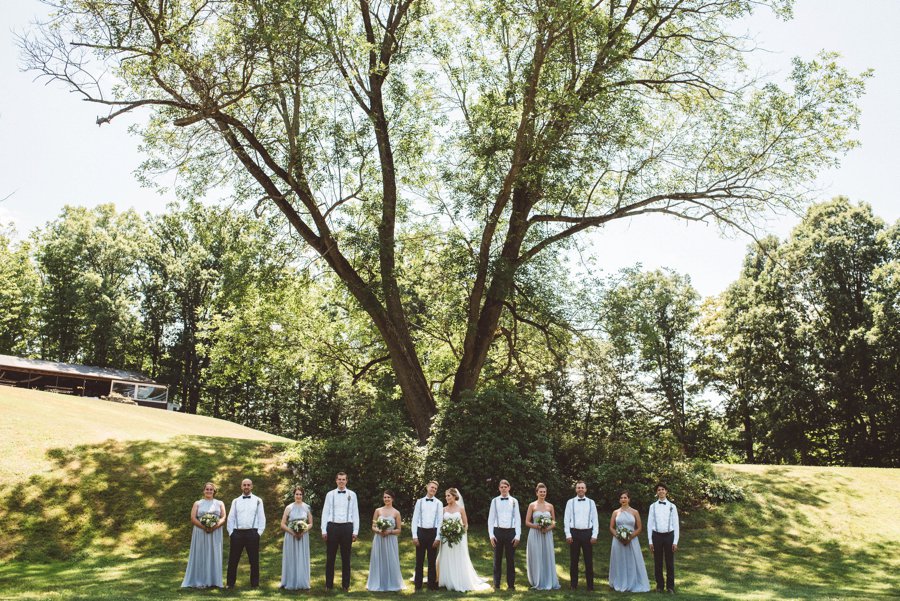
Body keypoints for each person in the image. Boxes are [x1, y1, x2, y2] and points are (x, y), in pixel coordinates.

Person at [437, 488, 490, 592]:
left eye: (449, 496)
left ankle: (459, 579)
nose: (446, 498)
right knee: (447, 558)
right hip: (446, 540)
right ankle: (447, 580)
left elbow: (466, 525)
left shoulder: (461, 509)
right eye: (446, 496)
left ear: (454, 496)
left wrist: (459, 533)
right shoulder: (443, 509)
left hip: (458, 539)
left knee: (458, 558)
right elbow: (440, 525)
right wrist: (446, 533)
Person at [181, 481, 227, 588]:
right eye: (207, 489)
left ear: (214, 491)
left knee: (214, 553)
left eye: (211, 489)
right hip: (200, 531)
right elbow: (193, 518)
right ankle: (199, 579)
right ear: (203, 491)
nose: (209, 491)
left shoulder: (220, 503)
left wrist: (214, 527)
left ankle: (214, 581)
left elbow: (223, 517)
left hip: (215, 532)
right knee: (200, 553)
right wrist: (204, 527)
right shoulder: (197, 503)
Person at [321, 471, 360, 592]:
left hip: (347, 527)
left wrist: (355, 531)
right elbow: (325, 512)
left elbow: (355, 513)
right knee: (330, 557)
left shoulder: (352, 495)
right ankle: (328, 585)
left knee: (346, 558)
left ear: (346, 481)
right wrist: (323, 530)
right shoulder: (330, 494)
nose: (341, 481)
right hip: (332, 527)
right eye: (339, 479)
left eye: (343, 479)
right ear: (336, 480)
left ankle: (345, 585)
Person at [225, 478, 266, 588]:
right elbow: (231, 518)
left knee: (254, 560)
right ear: (241, 486)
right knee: (233, 560)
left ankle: (255, 584)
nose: (246, 487)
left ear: (252, 486)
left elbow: (262, 518)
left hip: (252, 533)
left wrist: (259, 533)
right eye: (244, 485)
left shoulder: (258, 500)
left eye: (248, 485)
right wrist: (231, 533)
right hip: (237, 533)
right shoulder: (235, 501)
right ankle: (230, 583)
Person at [608, 490, 650, 592]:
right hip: (618, 541)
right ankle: (620, 581)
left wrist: (629, 537)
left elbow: (639, 528)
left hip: (632, 540)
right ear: (619, 500)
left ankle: (632, 581)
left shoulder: (635, 512)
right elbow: (611, 527)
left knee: (632, 561)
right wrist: (619, 536)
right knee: (619, 560)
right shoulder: (615, 512)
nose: (623, 499)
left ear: (629, 499)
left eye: (625, 498)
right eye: (621, 498)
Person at [366, 490, 406, 591]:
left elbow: (399, 530)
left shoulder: (396, 512)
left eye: (388, 497)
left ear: (392, 498)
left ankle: (392, 583)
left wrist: (390, 532)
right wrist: (379, 531)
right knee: (378, 559)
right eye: (385, 497)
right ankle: (377, 582)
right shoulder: (378, 511)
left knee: (391, 560)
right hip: (379, 539)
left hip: (391, 540)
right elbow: (373, 526)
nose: (386, 499)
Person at [524, 482, 560, 590]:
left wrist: (547, 529)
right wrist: (538, 527)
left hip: (547, 534)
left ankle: (548, 578)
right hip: (535, 534)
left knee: (547, 555)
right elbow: (527, 522)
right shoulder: (532, 505)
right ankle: (537, 580)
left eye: (544, 492)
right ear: (536, 493)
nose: (542, 494)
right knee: (536, 556)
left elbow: (554, 522)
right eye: (540, 492)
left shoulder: (550, 506)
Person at [564, 480, 598, 591]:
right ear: (576, 489)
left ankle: (590, 586)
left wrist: (595, 535)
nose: (580, 489)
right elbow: (566, 519)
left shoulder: (591, 502)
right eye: (578, 487)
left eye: (582, 487)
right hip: (574, 533)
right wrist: (568, 534)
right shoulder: (570, 502)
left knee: (588, 560)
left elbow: (595, 519)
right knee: (574, 561)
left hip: (587, 533)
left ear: (586, 489)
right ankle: (573, 585)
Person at [487, 479, 521, 590]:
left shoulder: (515, 501)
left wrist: (517, 535)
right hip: (498, 532)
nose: (503, 489)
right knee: (497, 559)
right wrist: (491, 535)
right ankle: (496, 584)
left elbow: (518, 519)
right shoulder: (495, 501)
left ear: (509, 488)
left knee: (510, 559)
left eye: (505, 487)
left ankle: (511, 585)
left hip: (511, 532)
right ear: (499, 488)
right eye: (501, 487)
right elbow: (491, 519)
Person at [647, 483, 680, 594]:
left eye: (663, 489)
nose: (661, 491)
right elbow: (649, 524)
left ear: (666, 491)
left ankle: (670, 587)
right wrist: (650, 541)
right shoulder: (653, 506)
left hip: (669, 536)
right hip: (656, 536)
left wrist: (675, 541)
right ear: (656, 492)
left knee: (669, 562)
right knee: (658, 562)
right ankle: (659, 586)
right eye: (659, 490)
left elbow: (676, 525)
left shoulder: (672, 506)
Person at [411, 480, 443, 591]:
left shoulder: (439, 503)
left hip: (433, 533)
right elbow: (415, 519)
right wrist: (414, 535)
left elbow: (440, 521)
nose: (433, 489)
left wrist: (438, 537)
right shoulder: (419, 502)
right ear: (427, 487)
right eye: (432, 487)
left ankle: (431, 585)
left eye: (435, 488)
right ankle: (418, 584)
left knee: (431, 560)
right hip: (420, 532)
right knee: (419, 560)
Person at [280, 486, 312, 590]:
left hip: (303, 536)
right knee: (291, 557)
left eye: (300, 494)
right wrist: (293, 533)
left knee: (302, 556)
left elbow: (311, 523)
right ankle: (290, 581)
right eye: (296, 494)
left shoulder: (307, 507)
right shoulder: (289, 507)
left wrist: (303, 531)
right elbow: (283, 524)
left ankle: (302, 581)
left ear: (303, 495)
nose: (298, 496)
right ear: (294, 495)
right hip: (291, 535)